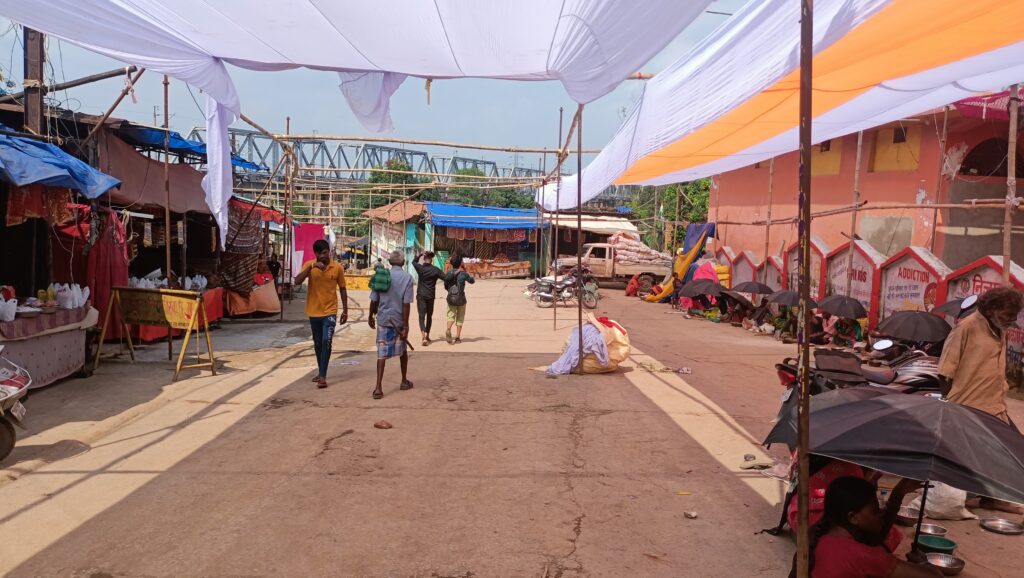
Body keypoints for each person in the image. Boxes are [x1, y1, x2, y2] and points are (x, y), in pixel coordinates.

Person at [792, 476, 939, 578]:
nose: (881, 514)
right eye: (875, 510)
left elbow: (877, 535)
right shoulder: (861, 555)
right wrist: (924, 562)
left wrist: (898, 493)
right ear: (852, 517)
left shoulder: (818, 533)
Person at [939, 286, 1024, 426]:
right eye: (1009, 314)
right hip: (968, 408)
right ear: (991, 310)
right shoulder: (966, 327)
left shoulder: (1001, 329)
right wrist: (949, 407)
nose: (1013, 319)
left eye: (1015, 314)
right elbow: (945, 372)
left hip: (996, 408)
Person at [294, 239, 348, 388]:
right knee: (318, 344)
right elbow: (297, 281)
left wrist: (345, 310)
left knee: (326, 341)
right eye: (321, 254)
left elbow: (343, 289)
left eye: (326, 252)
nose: (324, 256)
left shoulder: (337, 267)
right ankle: (321, 371)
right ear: (316, 254)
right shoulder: (310, 265)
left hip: (330, 311)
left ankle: (323, 376)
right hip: (313, 311)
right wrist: (312, 267)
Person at [368, 250, 415, 400]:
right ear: (403, 262)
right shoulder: (407, 278)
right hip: (399, 320)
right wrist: (406, 326)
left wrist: (370, 316)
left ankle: (378, 387)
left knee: (381, 353)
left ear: (389, 262)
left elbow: (374, 300)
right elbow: (406, 304)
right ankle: (404, 381)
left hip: (383, 319)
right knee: (403, 351)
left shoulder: (381, 275)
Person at [412, 251, 445, 346]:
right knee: (429, 316)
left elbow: (413, 262)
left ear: (424, 259)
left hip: (421, 296)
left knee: (421, 316)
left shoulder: (420, 268)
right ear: (431, 260)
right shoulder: (436, 270)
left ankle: (423, 336)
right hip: (430, 296)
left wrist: (419, 255)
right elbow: (446, 278)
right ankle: (427, 335)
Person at [444, 254, 475, 344]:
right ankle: (457, 337)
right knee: (460, 318)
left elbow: (445, 285)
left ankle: (448, 329)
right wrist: (465, 270)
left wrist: (450, 291)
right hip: (461, 299)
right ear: (460, 263)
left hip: (451, 298)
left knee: (450, 316)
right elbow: (472, 281)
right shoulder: (463, 274)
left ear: (452, 263)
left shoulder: (449, 273)